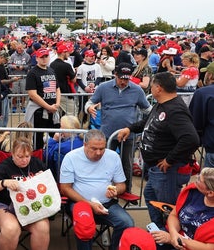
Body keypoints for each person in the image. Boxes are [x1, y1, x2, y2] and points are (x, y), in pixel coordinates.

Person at [117, 72, 200, 228]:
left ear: (158, 88)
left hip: (167, 171)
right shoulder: (162, 103)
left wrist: (170, 159)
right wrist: (130, 128)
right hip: (156, 169)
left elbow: (191, 139)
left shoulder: (175, 110)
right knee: (150, 196)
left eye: (152, 85)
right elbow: (148, 121)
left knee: (166, 207)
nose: (151, 88)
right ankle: (159, 229)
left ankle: (167, 236)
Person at [59, 129, 134, 250]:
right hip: (80, 204)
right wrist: (88, 204)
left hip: (106, 204)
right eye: (94, 149)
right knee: (85, 223)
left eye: (102, 149)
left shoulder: (113, 156)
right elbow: (65, 188)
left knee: (127, 223)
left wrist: (116, 190)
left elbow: (122, 185)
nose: (99, 153)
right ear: (85, 145)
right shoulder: (71, 157)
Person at [85, 63, 151, 192]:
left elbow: (147, 109)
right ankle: (103, 190)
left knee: (127, 164)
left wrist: (157, 116)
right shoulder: (104, 87)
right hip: (107, 134)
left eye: (126, 79)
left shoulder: (137, 90)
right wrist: (89, 108)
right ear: (115, 74)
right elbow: (91, 101)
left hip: (128, 135)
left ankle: (126, 191)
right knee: (104, 163)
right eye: (121, 78)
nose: (123, 81)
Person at [0, 137, 50, 250]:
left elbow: (50, 185)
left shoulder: (36, 163)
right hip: (5, 205)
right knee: (11, 228)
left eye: (27, 156)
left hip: (31, 205)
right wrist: (4, 182)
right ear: (13, 154)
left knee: (42, 227)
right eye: (20, 157)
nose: (24, 160)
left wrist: (43, 179)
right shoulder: (6, 165)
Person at [150, 167, 214, 250]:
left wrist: (173, 239)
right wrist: (173, 235)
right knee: (142, 241)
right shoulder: (193, 192)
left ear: (210, 193)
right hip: (173, 233)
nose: (196, 178)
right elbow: (174, 215)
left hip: (191, 246)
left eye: (199, 180)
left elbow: (208, 247)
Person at [25, 48, 61, 149]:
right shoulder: (32, 73)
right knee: (37, 139)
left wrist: (57, 104)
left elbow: (57, 88)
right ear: (37, 58)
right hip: (39, 111)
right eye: (42, 57)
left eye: (46, 56)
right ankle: (39, 160)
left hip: (53, 110)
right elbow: (32, 94)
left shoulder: (51, 70)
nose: (44, 59)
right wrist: (48, 107)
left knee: (56, 136)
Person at [189, 61, 214, 168]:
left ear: (211, 75)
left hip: (212, 148)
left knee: (210, 183)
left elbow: (195, 122)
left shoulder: (204, 93)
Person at [45, 115, 83, 180]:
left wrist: (53, 140)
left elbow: (46, 155)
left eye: (61, 126)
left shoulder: (61, 147)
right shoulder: (83, 140)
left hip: (62, 178)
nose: (59, 129)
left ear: (66, 129)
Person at [0, 50, 20, 128]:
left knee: (5, 114)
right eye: (5, 59)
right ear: (1, 58)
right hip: (1, 93)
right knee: (2, 114)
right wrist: (12, 80)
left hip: (4, 92)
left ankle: (2, 129)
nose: (6, 61)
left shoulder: (1, 66)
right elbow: (1, 81)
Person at [50, 43, 77, 117]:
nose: (68, 54)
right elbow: (74, 80)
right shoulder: (66, 65)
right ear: (63, 53)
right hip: (65, 94)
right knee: (72, 115)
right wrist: (75, 72)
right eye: (67, 52)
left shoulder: (52, 64)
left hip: (54, 93)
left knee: (57, 117)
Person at [8, 42, 31, 113]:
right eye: (18, 48)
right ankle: (14, 106)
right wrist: (14, 66)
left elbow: (29, 66)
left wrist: (23, 67)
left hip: (23, 77)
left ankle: (23, 106)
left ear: (23, 48)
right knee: (14, 92)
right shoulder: (13, 56)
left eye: (21, 48)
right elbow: (8, 65)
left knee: (23, 92)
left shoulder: (27, 56)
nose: (19, 50)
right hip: (14, 77)